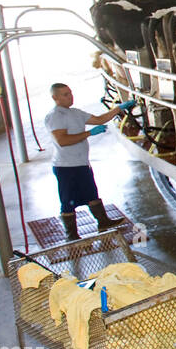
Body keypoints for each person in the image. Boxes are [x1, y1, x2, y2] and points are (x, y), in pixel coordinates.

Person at [45, 83, 134, 240]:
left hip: (81, 163)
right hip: (65, 166)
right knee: (67, 200)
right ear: (55, 98)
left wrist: (119, 108)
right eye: (65, 94)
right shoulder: (55, 117)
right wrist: (88, 134)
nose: (70, 96)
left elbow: (100, 120)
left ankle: (103, 222)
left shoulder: (75, 112)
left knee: (92, 193)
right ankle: (71, 235)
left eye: (70, 93)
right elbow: (62, 140)